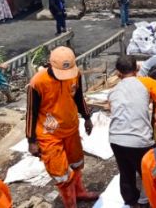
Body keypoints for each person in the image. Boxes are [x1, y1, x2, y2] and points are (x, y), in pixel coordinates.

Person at [25, 46, 99, 206]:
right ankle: (70, 203)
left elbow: (79, 98)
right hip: (48, 134)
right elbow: (31, 112)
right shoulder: (37, 83)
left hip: (71, 127)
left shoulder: (75, 74)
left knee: (76, 163)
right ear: (51, 65)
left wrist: (87, 117)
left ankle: (79, 192)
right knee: (61, 174)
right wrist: (31, 141)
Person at [109, 55, 156, 207]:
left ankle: (130, 201)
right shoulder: (146, 83)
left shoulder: (114, 90)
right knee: (147, 173)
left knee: (126, 172)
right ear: (137, 69)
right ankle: (145, 201)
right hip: (139, 140)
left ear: (118, 72)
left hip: (115, 139)